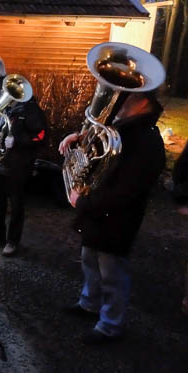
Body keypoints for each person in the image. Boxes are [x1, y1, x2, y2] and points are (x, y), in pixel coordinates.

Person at [59, 91, 165, 344]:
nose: (117, 103)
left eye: (125, 98)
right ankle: (89, 303)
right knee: (89, 259)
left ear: (143, 103)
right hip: (97, 213)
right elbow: (98, 151)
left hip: (116, 218)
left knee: (112, 272)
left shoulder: (147, 140)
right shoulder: (123, 128)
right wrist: (80, 139)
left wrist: (82, 201)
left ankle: (110, 325)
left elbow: (125, 191)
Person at [0, 82, 46, 256]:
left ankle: (12, 241)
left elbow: (40, 137)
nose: (5, 93)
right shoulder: (4, 107)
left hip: (18, 165)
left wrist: (18, 140)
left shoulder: (32, 111)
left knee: (16, 206)